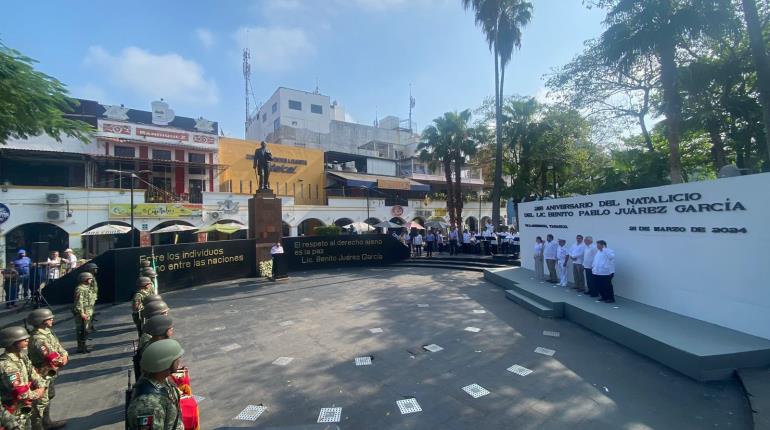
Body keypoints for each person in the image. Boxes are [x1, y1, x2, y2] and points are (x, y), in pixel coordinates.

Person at [126, 339, 185, 430]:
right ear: (166, 362)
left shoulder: (160, 380)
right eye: (177, 358)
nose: (179, 360)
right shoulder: (148, 406)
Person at [27, 309, 68, 430]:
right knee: (40, 402)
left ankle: (47, 422)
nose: (52, 320)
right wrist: (61, 360)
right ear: (41, 321)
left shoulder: (47, 332)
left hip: (49, 372)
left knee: (49, 395)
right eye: (49, 318)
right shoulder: (38, 339)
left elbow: (58, 347)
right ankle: (38, 426)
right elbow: (51, 357)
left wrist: (64, 354)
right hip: (42, 373)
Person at [0, 326, 46, 429]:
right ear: (12, 343)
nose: (27, 339)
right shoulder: (7, 365)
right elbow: (21, 393)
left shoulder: (21, 356)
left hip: (24, 405)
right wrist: (37, 393)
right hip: (12, 409)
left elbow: (32, 373)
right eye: (23, 339)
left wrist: (41, 385)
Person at [73, 272, 95, 353]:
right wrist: (81, 313)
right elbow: (79, 302)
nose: (91, 280)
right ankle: (81, 347)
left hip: (88, 311)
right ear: (85, 279)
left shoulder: (87, 287)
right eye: (90, 278)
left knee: (86, 330)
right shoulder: (80, 289)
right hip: (83, 312)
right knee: (81, 330)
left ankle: (84, 345)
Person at [84, 263, 100, 331]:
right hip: (88, 298)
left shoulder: (92, 276)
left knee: (91, 312)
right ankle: (87, 327)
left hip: (92, 298)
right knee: (88, 312)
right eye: (94, 269)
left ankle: (90, 325)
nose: (96, 270)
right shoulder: (87, 277)